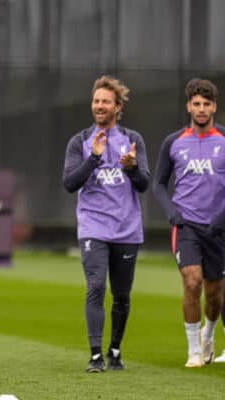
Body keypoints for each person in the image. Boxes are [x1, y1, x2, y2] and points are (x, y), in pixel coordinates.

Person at [63, 76, 150, 372]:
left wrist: (132, 167)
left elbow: (144, 184)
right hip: (93, 228)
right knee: (97, 285)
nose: (99, 106)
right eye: (96, 101)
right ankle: (96, 355)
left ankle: (115, 350)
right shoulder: (79, 142)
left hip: (127, 229)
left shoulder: (133, 139)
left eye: (105, 102)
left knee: (122, 294)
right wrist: (94, 159)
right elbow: (69, 183)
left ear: (117, 107)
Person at [153, 78, 225, 368]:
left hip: (218, 228)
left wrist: (221, 219)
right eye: (196, 104)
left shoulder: (223, 140)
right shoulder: (173, 142)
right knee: (192, 281)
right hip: (186, 227)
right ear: (188, 106)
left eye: (206, 104)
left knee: (215, 294)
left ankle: (209, 334)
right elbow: (158, 183)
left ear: (214, 107)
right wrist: (172, 213)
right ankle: (194, 350)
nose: (201, 109)